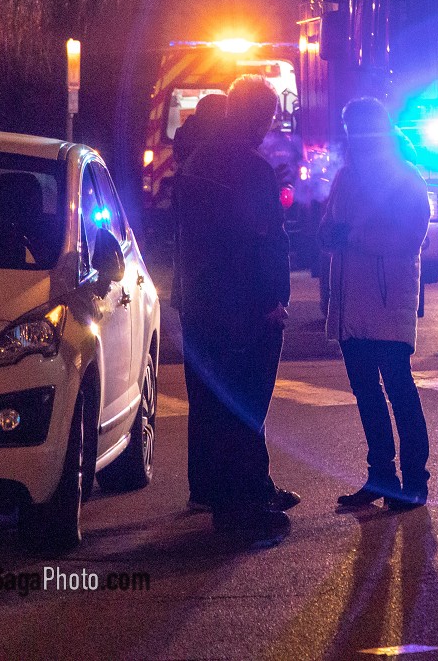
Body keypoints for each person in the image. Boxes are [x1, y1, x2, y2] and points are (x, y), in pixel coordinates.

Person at [175, 75, 296, 544]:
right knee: (245, 402)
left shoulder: (196, 162)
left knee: (211, 402)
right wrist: (272, 300)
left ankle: (227, 490)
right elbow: (263, 241)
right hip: (245, 307)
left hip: (201, 301)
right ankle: (242, 504)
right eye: (266, 119)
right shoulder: (249, 169)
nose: (267, 130)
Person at [321, 97, 432, 512]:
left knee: (399, 390)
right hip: (352, 305)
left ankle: (414, 482)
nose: (355, 137)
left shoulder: (405, 178)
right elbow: (326, 230)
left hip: (387, 300)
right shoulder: (346, 177)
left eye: (361, 128)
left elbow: (407, 240)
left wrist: (349, 238)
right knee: (368, 394)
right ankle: (382, 477)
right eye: (351, 129)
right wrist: (333, 235)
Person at [170, 91, 226, 514]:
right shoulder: (212, 165)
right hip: (216, 295)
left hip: (191, 293)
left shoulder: (186, 162)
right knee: (225, 394)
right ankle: (225, 486)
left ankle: (201, 486)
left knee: (200, 395)